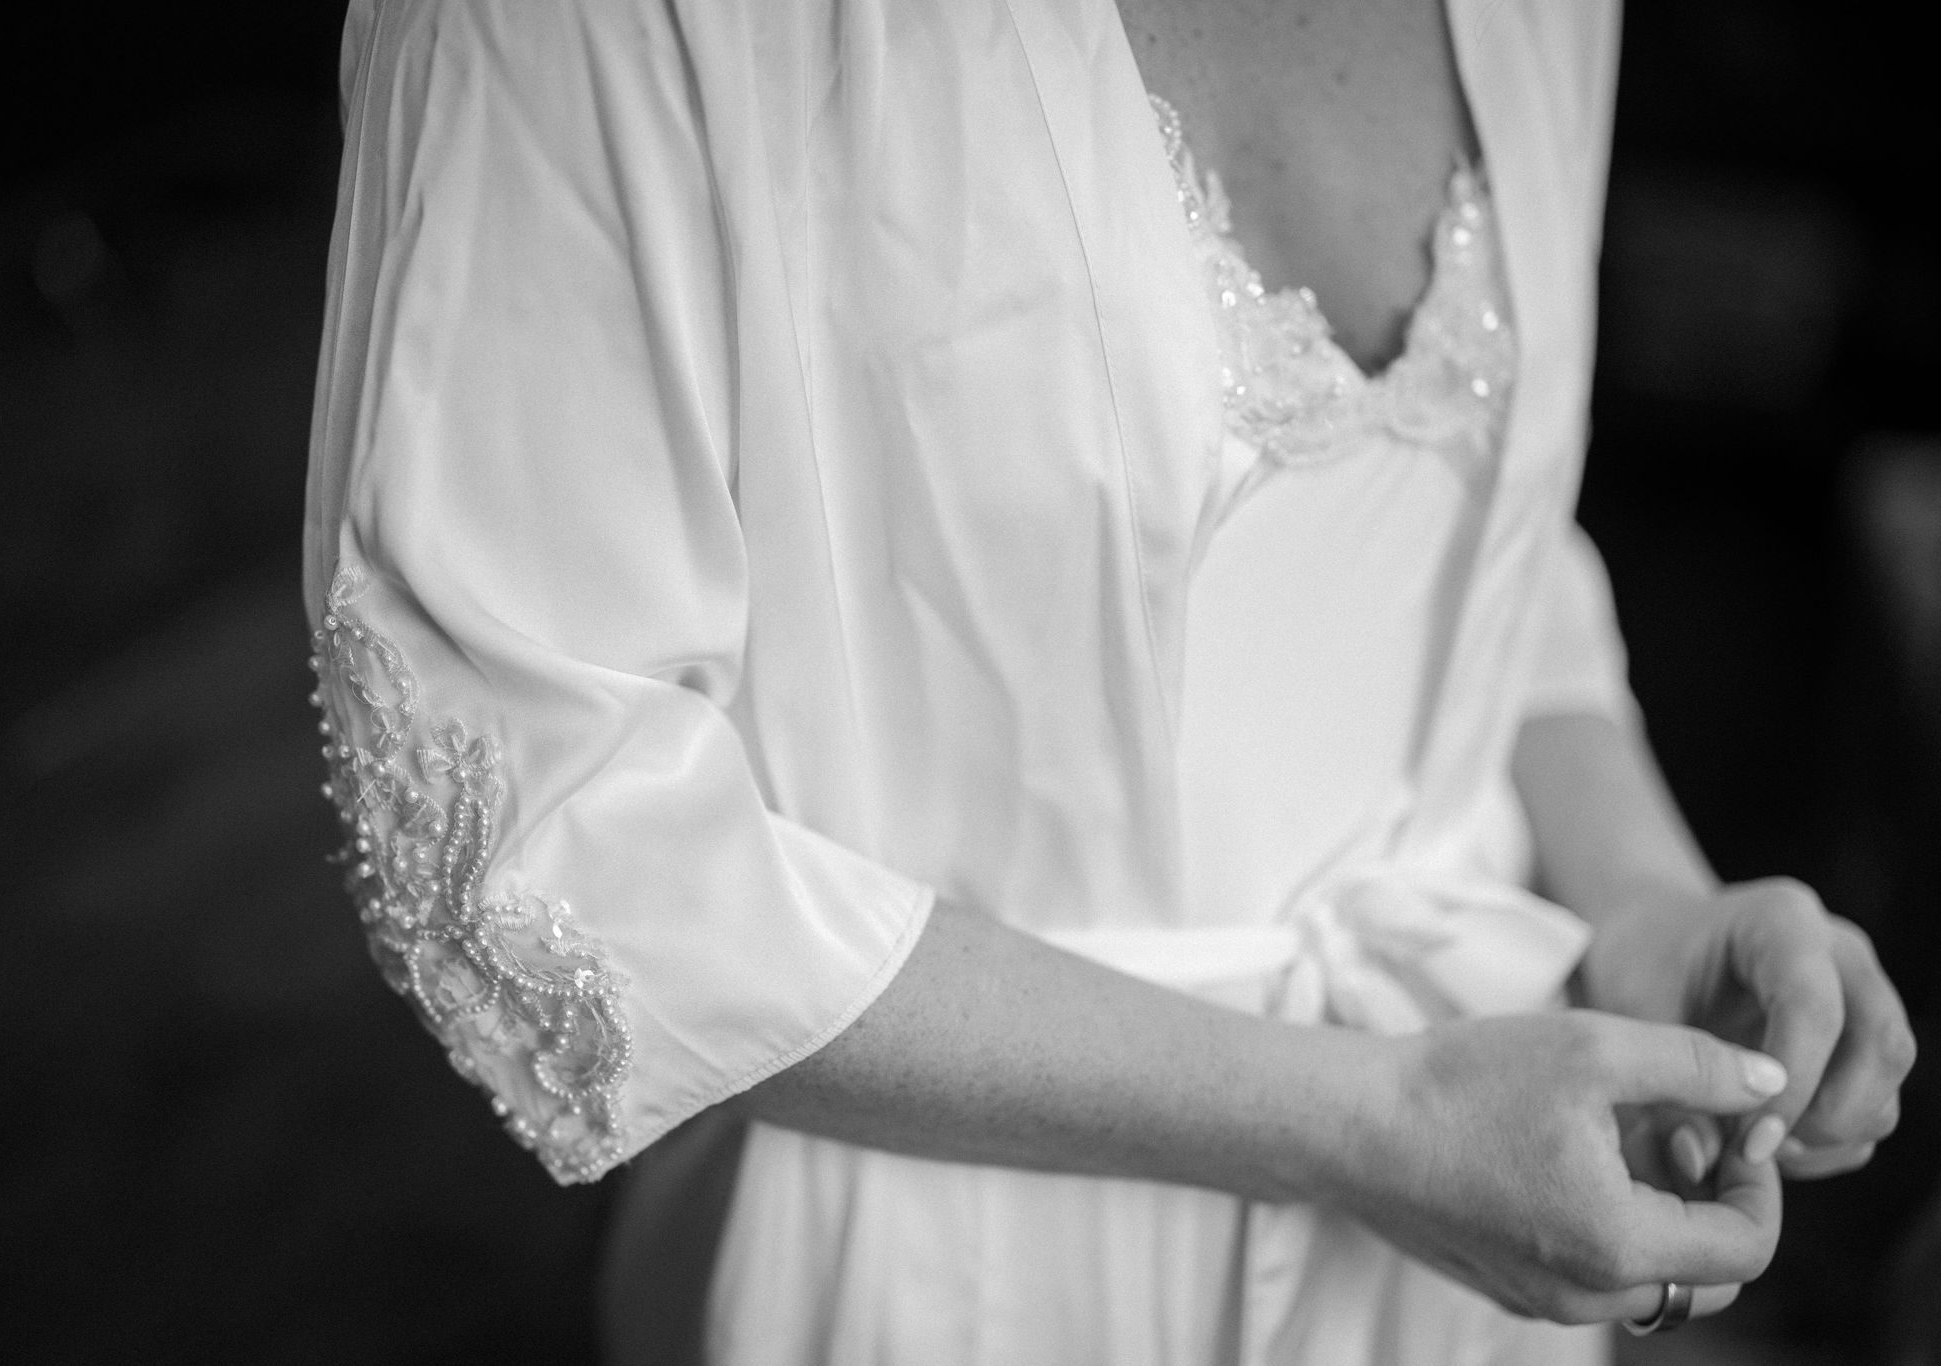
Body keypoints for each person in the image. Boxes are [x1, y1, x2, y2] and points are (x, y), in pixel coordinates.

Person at [301, 0, 1916, 1362]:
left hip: (1466, 1239)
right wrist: (1363, 1119)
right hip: (937, 1268)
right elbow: (539, 823)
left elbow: (1475, 536)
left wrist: (1637, 896)